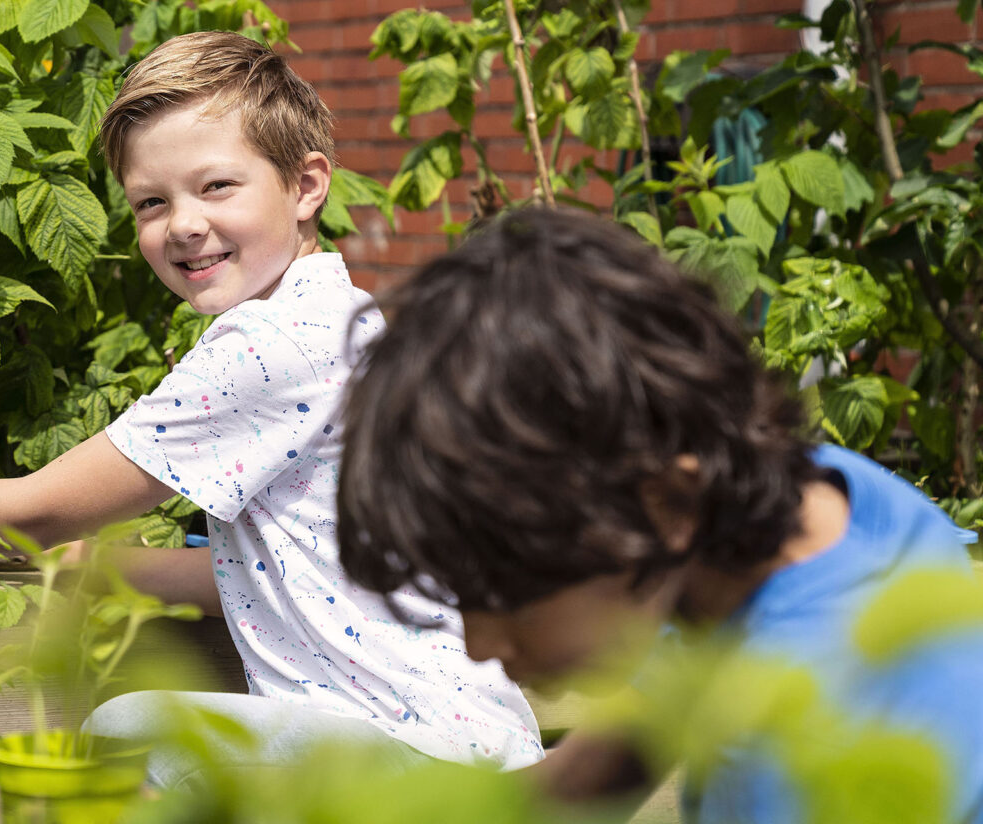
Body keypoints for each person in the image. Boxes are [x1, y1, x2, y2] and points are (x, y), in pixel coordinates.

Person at [0, 31, 543, 785]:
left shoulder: (270, 344)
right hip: (469, 748)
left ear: (307, 186)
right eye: (151, 201)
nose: (181, 223)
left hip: (414, 762)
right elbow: (279, 579)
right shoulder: (346, 319)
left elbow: (37, 511)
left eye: (216, 187)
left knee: (128, 730)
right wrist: (94, 566)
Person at [335, 207, 983, 822]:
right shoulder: (793, 506)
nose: (481, 644)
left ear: (669, 501)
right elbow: (625, 746)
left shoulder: (813, 733)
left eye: (506, 594)